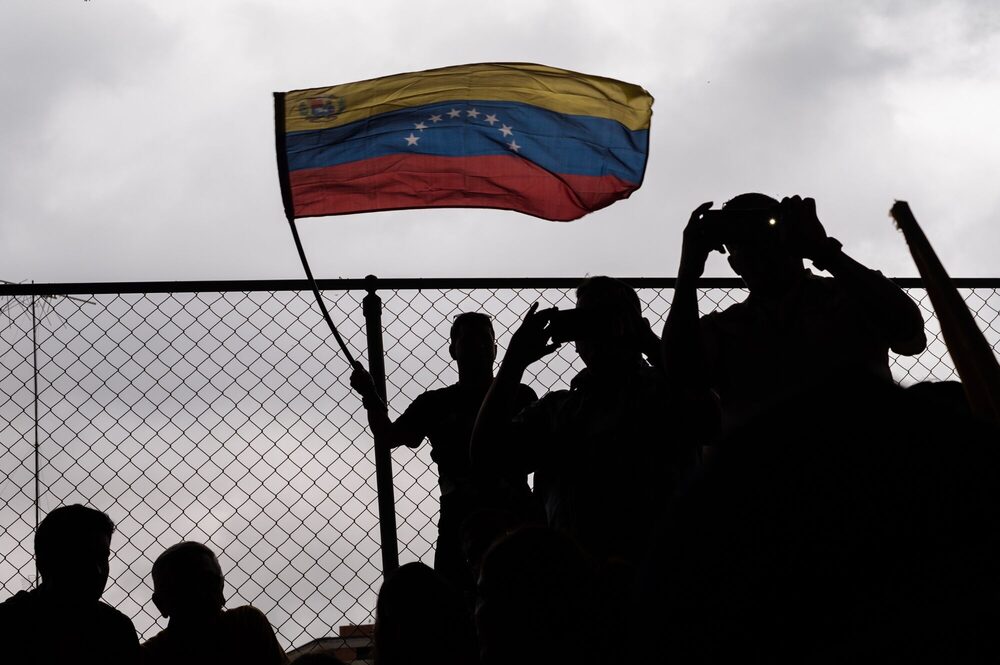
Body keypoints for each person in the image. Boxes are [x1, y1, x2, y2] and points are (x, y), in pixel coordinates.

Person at [471, 276, 714, 566]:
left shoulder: (667, 391)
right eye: (586, 320)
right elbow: (486, 457)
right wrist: (514, 361)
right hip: (594, 579)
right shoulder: (557, 410)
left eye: (606, 318)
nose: (598, 332)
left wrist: (649, 343)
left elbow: (709, 418)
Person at [663, 194, 927, 432]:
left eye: (765, 228)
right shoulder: (723, 328)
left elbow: (908, 330)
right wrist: (688, 271)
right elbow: (683, 377)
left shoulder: (851, 294)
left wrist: (823, 249)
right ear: (734, 263)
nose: (760, 246)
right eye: (743, 237)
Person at [350, 312, 540, 593]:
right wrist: (370, 396)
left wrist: (371, 397)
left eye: (482, 340)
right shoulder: (518, 396)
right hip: (502, 510)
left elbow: (389, 436)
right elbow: (389, 436)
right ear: (453, 350)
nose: (477, 346)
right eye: (469, 340)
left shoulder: (439, 403)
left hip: (469, 513)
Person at [0, 504, 139, 665]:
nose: (98, 570)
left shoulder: (117, 630)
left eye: (103, 557)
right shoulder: (115, 630)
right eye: (83, 558)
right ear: (46, 563)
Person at [141, 541, 287, 665]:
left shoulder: (246, 622)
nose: (208, 596)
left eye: (212, 583)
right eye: (191, 588)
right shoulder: (245, 624)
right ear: (162, 604)